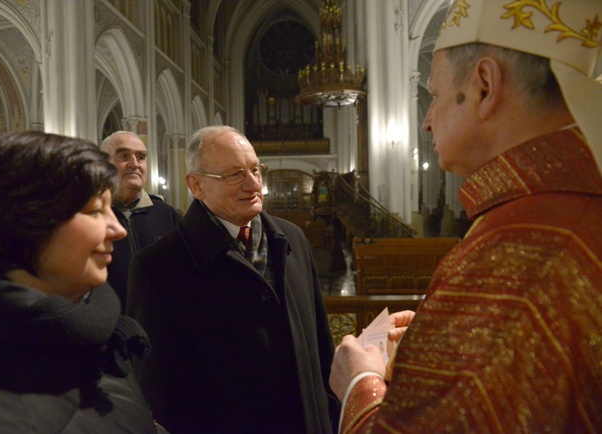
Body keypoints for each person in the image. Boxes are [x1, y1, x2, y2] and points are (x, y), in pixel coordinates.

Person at [330, 1, 602, 432]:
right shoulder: (565, 206)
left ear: (484, 86)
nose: (427, 122)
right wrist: (448, 337)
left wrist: (359, 382)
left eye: (435, 95)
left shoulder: (514, 258)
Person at [127, 125, 340, 433]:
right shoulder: (157, 267)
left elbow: (322, 347)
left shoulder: (292, 237)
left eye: (255, 170)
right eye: (235, 175)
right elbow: (159, 392)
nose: (253, 184)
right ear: (196, 185)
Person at [0, 131, 167, 433]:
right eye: (94, 210)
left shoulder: (94, 330)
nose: (117, 230)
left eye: (110, 208)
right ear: (24, 224)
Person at [100, 131, 181, 311]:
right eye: (124, 156)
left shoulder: (167, 214)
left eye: (141, 157)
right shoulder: (90, 217)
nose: (135, 164)